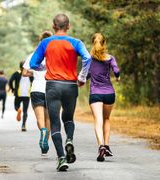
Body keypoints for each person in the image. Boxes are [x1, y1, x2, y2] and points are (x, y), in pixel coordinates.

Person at [30, 14, 91, 171]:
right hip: (71, 85)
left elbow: (32, 64)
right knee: (68, 118)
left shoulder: (45, 43)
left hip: (53, 86)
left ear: (53, 26)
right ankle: (69, 139)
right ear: (68, 26)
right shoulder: (76, 42)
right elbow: (87, 58)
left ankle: (62, 158)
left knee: (55, 122)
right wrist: (82, 77)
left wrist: (46, 67)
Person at [86, 33, 120, 162]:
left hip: (95, 93)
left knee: (98, 120)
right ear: (104, 43)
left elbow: (87, 74)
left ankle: (101, 146)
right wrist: (117, 77)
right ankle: (107, 145)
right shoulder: (110, 58)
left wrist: (81, 81)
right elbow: (116, 71)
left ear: (92, 43)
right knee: (106, 119)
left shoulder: (89, 59)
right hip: (109, 93)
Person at [22, 31, 53, 156]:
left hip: (36, 89)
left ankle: (43, 131)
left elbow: (24, 73)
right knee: (48, 118)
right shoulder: (54, 56)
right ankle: (45, 146)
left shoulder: (33, 55)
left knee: (40, 119)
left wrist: (34, 73)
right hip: (51, 89)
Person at [9, 61, 32, 132]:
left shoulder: (17, 73)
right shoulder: (30, 74)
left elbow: (10, 81)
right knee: (25, 111)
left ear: (20, 66)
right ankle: (23, 125)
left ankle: (18, 109)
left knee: (16, 106)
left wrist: (12, 89)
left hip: (18, 94)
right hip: (27, 95)